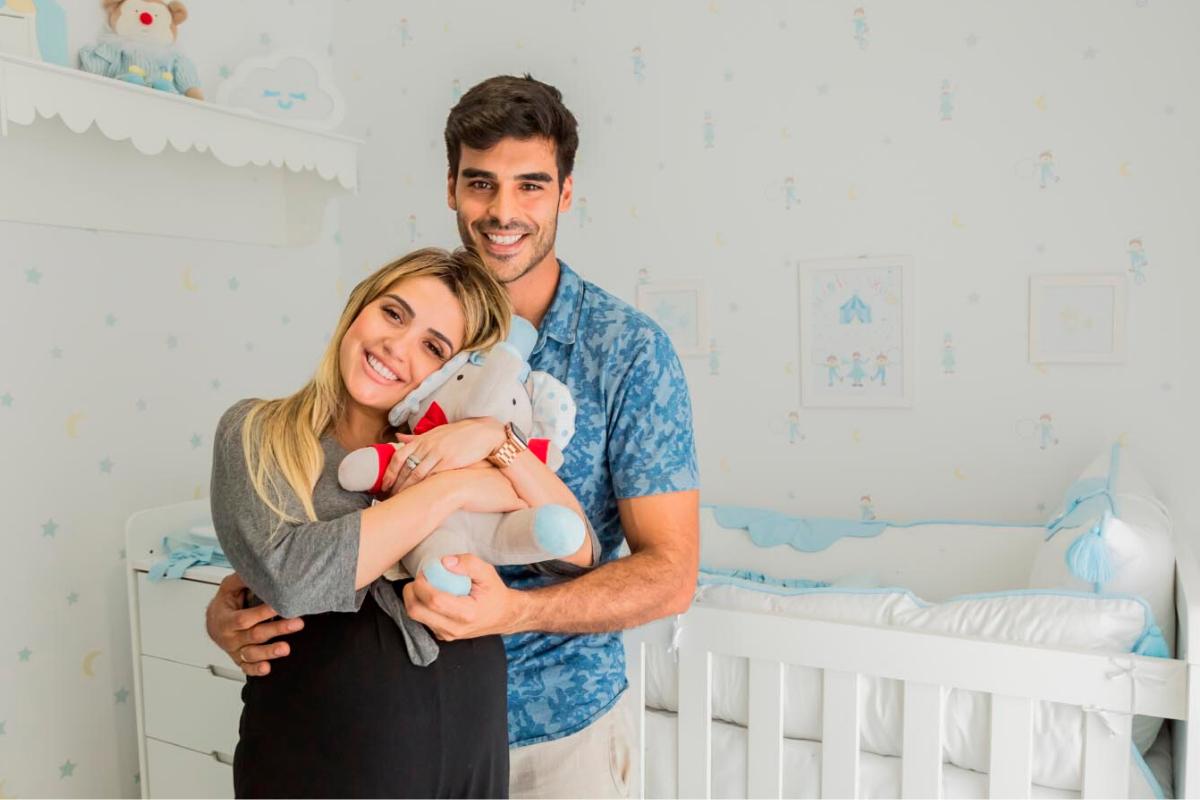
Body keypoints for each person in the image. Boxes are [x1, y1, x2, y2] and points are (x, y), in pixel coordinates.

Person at [207, 75, 701, 798]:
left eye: (531, 185)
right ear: (451, 189)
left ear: (565, 193)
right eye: (480, 183)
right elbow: (322, 508)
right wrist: (247, 593)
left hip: (558, 730)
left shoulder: (628, 351)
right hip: (383, 728)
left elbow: (670, 574)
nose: (503, 211)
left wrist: (517, 609)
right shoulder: (421, 337)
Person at [210, 247, 593, 798]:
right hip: (318, 761)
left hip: (470, 752)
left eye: (433, 347)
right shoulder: (258, 431)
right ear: (358, 307)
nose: (397, 345)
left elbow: (577, 549)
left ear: (455, 372)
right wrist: (451, 488)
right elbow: (293, 578)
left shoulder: (462, 444)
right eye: (393, 313)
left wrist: (493, 439)